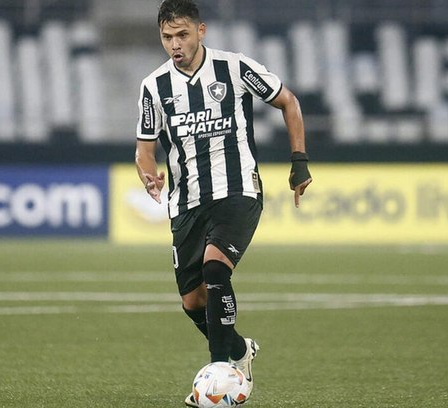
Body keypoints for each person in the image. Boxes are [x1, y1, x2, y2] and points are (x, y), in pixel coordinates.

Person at [134, 0, 312, 406]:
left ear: (201, 30)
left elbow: (290, 102)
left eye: (182, 34)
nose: (175, 44)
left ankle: (218, 375)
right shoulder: (154, 86)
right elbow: (145, 147)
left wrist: (299, 161)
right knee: (192, 302)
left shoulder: (234, 68)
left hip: (238, 191)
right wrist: (147, 173)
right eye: (167, 37)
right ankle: (239, 352)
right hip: (186, 203)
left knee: (216, 268)